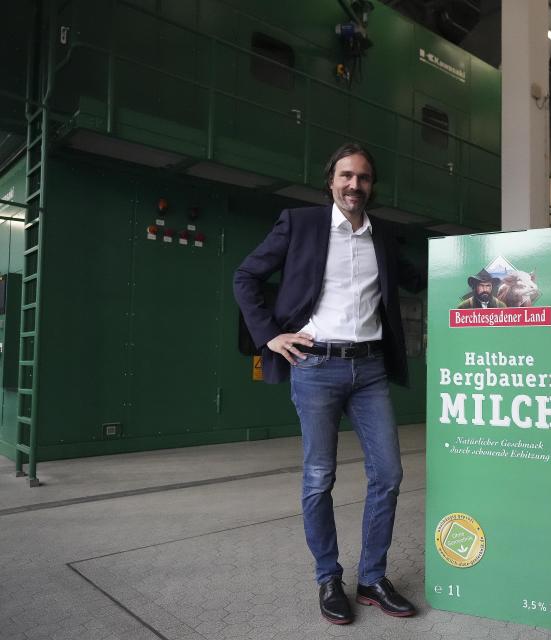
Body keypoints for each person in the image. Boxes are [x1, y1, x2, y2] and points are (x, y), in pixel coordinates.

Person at [233, 142, 424, 625]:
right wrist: (269, 336)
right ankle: (327, 577)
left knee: (389, 475)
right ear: (331, 181)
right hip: (315, 367)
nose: (353, 185)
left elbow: (420, 278)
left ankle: (373, 578)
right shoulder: (300, 224)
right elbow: (246, 277)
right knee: (320, 476)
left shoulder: (384, 236)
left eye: (362, 177)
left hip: (371, 370)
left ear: (371, 185)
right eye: (345, 176)